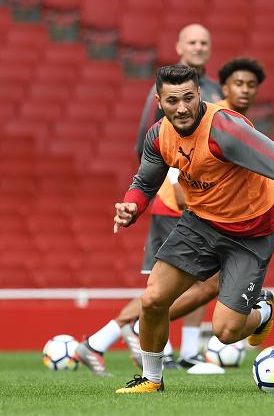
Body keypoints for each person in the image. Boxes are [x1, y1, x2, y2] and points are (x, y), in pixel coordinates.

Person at [113, 65, 274, 393]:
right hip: (200, 224)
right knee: (152, 300)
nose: (182, 107)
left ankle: (262, 312)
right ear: (160, 103)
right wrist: (132, 206)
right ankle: (152, 380)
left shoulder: (225, 130)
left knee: (227, 331)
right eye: (173, 100)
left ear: (199, 95)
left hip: (250, 234)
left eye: (189, 98)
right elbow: (144, 183)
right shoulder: (159, 135)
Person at [75, 24, 224, 376]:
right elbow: (149, 145)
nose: (199, 47)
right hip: (175, 197)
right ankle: (101, 340)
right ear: (178, 46)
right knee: (171, 283)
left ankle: (187, 352)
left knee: (202, 276)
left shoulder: (212, 89)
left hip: (204, 196)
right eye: (192, 42)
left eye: (205, 41)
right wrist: (170, 185)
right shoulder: (162, 93)